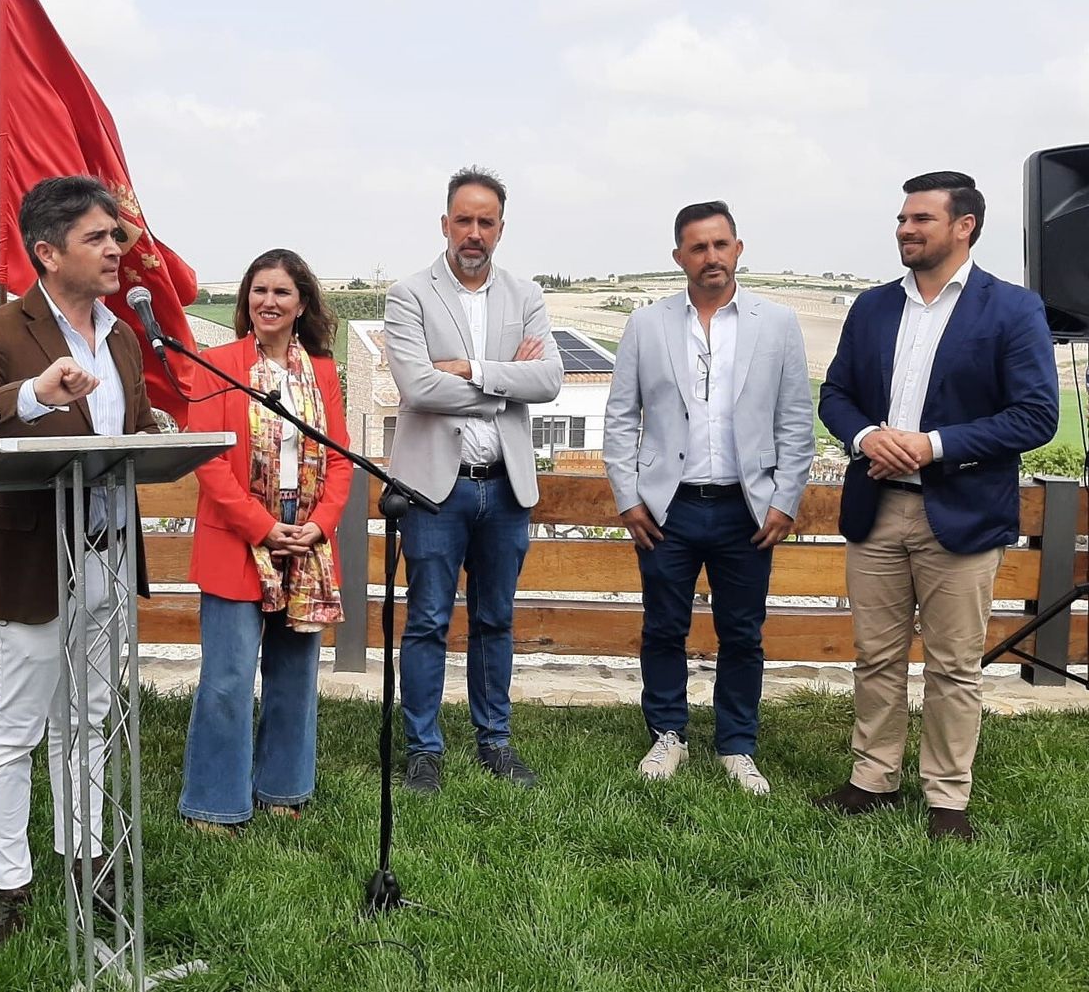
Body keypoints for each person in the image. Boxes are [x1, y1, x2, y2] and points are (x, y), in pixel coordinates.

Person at [0, 174, 158, 955]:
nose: (116, 248)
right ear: (49, 252)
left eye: (116, 235)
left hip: (107, 557)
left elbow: (130, 435)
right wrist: (30, 394)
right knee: (16, 727)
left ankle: (86, 861)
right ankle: (9, 887)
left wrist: (158, 438)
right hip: (29, 561)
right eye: (98, 237)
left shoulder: (123, 337)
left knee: (87, 720)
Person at [815, 171, 1058, 840]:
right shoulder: (872, 307)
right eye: (902, 218)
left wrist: (933, 446)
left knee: (953, 665)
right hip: (876, 509)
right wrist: (866, 437)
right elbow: (835, 395)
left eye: (920, 218)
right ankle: (873, 778)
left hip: (963, 512)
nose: (905, 229)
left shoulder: (1012, 309)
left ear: (964, 226)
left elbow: (1036, 415)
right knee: (876, 657)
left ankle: (948, 797)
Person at [602, 201, 814, 794]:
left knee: (743, 632)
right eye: (698, 247)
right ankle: (667, 733)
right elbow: (621, 417)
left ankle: (736, 744)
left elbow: (795, 419)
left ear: (738, 249)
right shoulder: (647, 324)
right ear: (679, 257)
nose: (711, 257)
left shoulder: (777, 323)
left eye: (721, 245)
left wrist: (785, 499)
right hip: (667, 508)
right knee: (663, 627)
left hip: (747, 508)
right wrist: (628, 498)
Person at [386, 166, 564, 793]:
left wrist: (469, 369)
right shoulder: (409, 295)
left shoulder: (526, 296)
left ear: (501, 229)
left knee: (496, 619)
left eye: (486, 222)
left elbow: (550, 380)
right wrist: (505, 381)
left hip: (505, 487)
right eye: (464, 220)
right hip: (436, 489)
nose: (474, 232)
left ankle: (496, 742)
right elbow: (418, 388)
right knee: (428, 620)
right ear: (445, 224)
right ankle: (423, 749)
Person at [179, 249, 353, 831]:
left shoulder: (322, 372)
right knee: (227, 679)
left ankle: (283, 789)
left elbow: (340, 459)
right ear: (246, 301)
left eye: (281, 292)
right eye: (259, 291)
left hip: (306, 540)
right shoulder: (216, 365)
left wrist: (318, 525)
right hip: (237, 536)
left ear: (302, 304)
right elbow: (206, 459)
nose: (268, 302)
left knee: (294, 675)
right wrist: (260, 526)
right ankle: (214, 803)